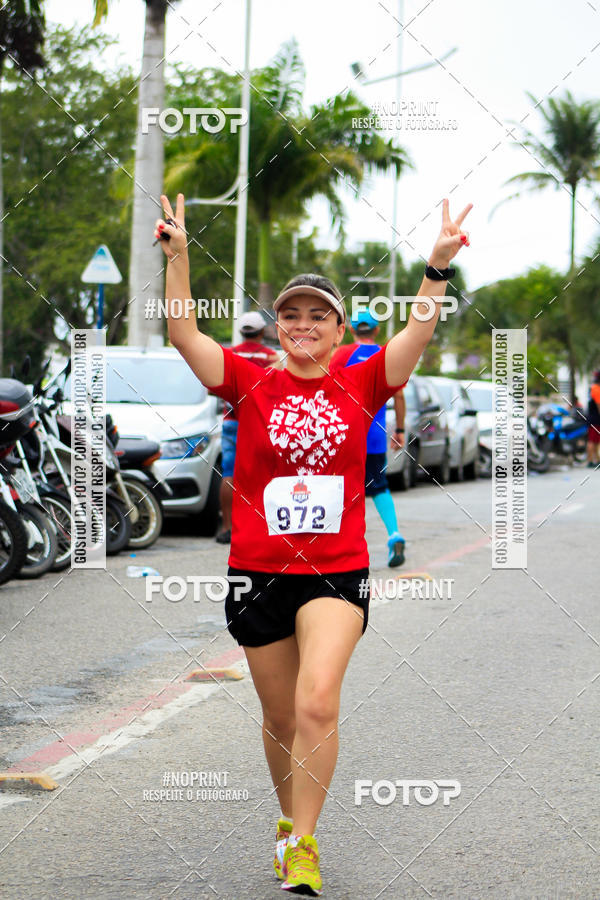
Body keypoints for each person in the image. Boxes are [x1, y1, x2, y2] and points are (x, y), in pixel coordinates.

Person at [154, 193, 472, 897]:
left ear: (337, 330)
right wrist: (177, 259)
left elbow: (416, 335)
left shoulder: (363, 377)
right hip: (257, 571)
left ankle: (303, 843)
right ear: (278, 327)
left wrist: (435, 269)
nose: (303, 325)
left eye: (317, 316)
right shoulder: (248, 377)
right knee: (277, 714)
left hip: (334, 571)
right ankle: (287, 820)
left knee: (317, 702)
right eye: (291, 315)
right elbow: (183, 336)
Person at [330, 309, 407, 567]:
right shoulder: (386, 355)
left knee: (344, 489)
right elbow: (399, 396)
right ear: (376, 330)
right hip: (375, 435)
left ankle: (341, 547)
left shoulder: (341, 354)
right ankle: (394, 534)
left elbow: (327, 387)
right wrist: (400, 430)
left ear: (351, 330)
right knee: (379, 485)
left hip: (346, 432)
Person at [216, 310, 281, 544]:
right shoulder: (271, 357)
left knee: (229, 473)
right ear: (262, 332)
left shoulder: (229, 355)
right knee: (263, 475)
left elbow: (213, 386)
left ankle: (227, 528)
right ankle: (261, 526)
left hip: (232, 421)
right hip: (260, 423)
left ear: (241, 332)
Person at [586, 370, 600, 468]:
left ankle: (595, 460)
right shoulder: (596, 389)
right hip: (596, 419)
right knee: (593, 441)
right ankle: (591, 461)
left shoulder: (592, 388)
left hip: (592, 418)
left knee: (594, 441)